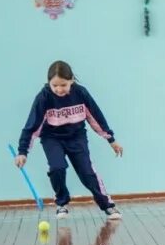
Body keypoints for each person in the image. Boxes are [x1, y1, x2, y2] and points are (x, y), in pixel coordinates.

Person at [15, 60, 123, 220]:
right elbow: (32, 125)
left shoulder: (81, 94)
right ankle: (62, 204)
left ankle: (108, 206)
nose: (59, 89)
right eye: (55, 85)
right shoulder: (44, 97)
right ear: (49, 83)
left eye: (63, 85)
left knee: (87, 172)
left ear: (71, 80)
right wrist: (22, 152)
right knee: (57, 168)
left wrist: (111, 139)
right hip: (52, 138)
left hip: (76, 137)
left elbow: (96, 117)